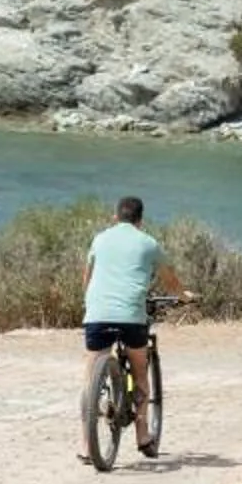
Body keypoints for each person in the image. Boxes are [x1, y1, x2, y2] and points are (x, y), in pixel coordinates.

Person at [79, 195, 185, 458]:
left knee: (90, 378)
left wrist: (89, 303)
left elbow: (87, 277)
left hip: (97, 314)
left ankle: (85, 446)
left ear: (116, 217)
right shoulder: (148, 243)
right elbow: (170, 280)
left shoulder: (100, 239)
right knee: (140, 373)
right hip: (130, 316)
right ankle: (142, 434)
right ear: (140, 220)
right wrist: (184, 296)